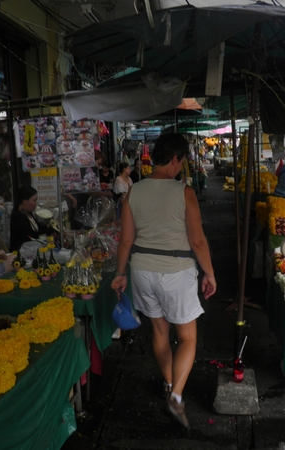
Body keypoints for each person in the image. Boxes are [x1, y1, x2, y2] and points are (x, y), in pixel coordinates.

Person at [110, 133, 217, 429]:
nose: (182, 167)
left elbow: (125, 240)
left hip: (142, 270)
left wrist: (120, 274)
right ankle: (177, 395)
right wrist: (209, 273)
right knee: (187, 337)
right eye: (182, 161)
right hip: (176, 272)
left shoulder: (135, 191)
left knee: (159, 333)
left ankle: (170, 384)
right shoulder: (183, 192)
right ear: (175, 159)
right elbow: (197, 241)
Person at [10, 185, 51, 251]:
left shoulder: (27, 212)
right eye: (34, 201)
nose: (36, 203)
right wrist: (50, 230)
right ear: (24, 201)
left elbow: (38, 227)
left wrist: (49, 225)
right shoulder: (18, 217)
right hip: (22, 253)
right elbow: (33, 237)